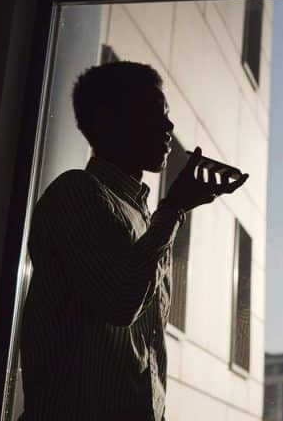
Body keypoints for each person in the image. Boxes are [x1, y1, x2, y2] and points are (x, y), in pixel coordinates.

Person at [19, 61, 246, 420]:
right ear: (110, 120)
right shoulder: (77, 193)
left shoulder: (144, 219)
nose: (169, 125)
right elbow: (120, 302)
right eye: (155, 112)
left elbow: (144, 353)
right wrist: (173, 208)